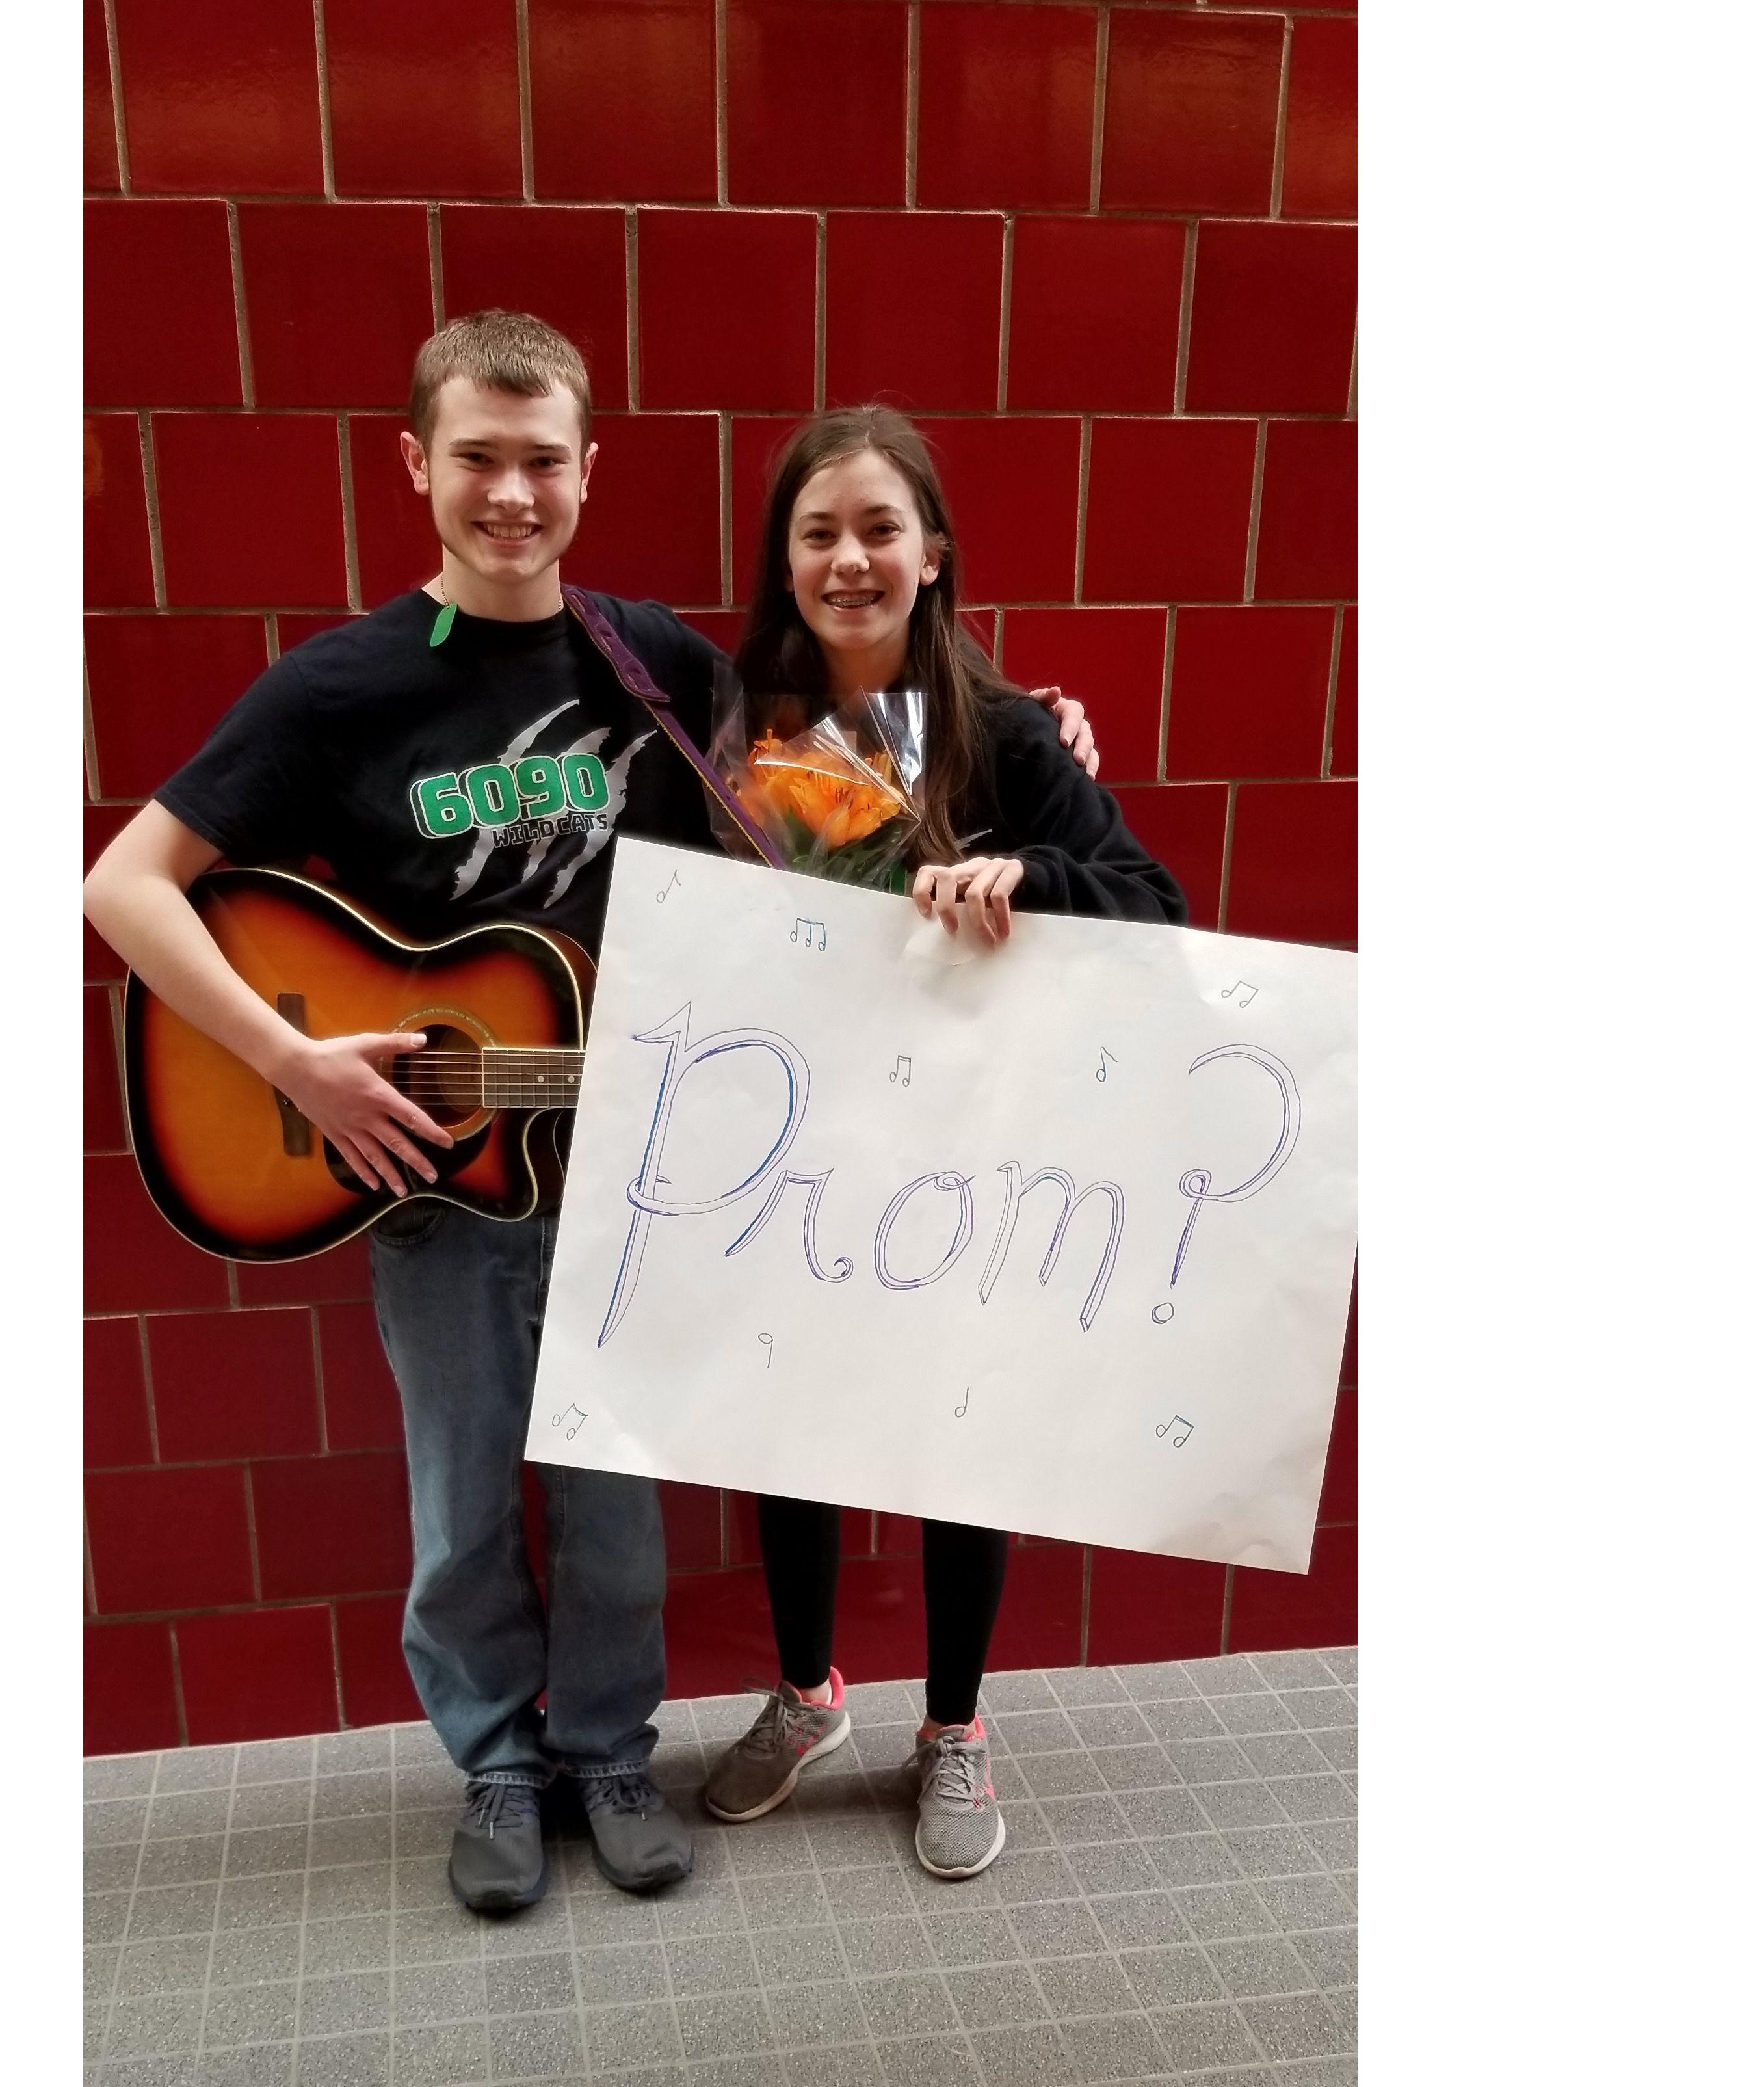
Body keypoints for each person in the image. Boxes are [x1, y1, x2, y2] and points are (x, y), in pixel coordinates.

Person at [84, 315, 1105, 1914]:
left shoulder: (658, 663)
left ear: (587, 472)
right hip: (423, 1169)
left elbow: (848, 821)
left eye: (542, 460)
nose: (512, 493)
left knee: (616, 1504)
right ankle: (499, 1766)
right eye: (479, 457)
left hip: (626, 1177)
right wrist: (292, 1066)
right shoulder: (339, 685)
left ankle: (615, 1756)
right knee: (460, 1499)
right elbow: (125, 887)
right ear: (417, 464)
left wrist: (1029, 748)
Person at [700, 406, 1187, 1883]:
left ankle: (957, 1728)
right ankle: (807, 1695)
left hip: (974, 1158)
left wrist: (1030, 872)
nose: (850, 559)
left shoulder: (1004, 728)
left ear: (934, 552)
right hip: (799, 1152)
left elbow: (1150, 900)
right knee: (787, 1431)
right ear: (783, 560)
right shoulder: (734, 728)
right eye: (818, 532)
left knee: (967, 1441)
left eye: (878, 529)